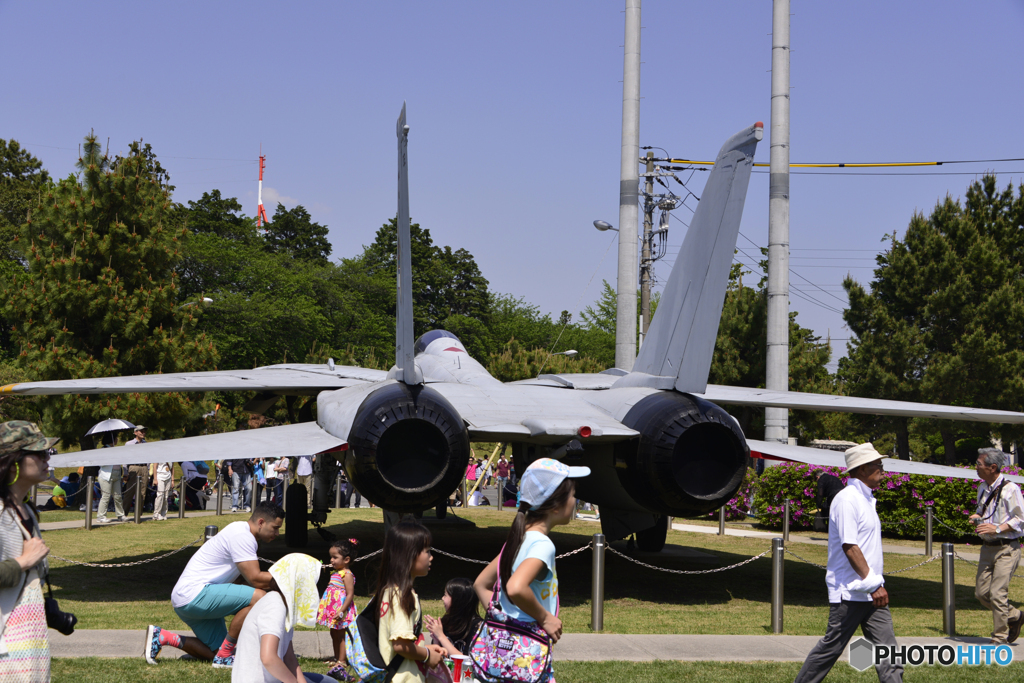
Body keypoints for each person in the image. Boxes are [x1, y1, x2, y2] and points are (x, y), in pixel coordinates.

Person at [473, 458, 591, 682]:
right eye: (573, 494)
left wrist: (502, 614)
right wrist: (544, 617)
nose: (575, 500)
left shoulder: (518, 539)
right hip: (529, 658)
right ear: (555, 505)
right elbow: (516, 587)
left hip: (502, 658)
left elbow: (480, 583)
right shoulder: (542, 545)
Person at [793, 443, 902, 683]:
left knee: (889, 653)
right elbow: (850, 547)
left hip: (871, 593)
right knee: (830, 649)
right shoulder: (847, 500)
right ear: (862, 469)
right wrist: (874, 584)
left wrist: (874, 586)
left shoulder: (866, 499)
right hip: (850, 592)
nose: (883, 469)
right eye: (878, 465)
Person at [145, 501, 284, 668]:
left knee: (215, 653)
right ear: (261, 522)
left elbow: (240, 581)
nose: (277, 533)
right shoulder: (243, 536)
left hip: (184, 600)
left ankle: (163, 637)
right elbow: (255, 579)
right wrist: (287, 580)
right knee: (261, 598)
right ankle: (225, 654)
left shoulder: (240, 531)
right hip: (195, 594)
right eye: (275, 527)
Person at [0, 421, 61, 681]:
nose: (47, 458)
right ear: (13, 462)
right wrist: (23, 562)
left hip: (28, 639)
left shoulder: (25, 510)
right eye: (38, 453)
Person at [232, 553, 337, 683]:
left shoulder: (284, 605)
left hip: (273, 678)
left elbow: (289, 658)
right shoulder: (274, 605)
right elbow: (268, 658)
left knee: (328, 681)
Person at [373, 521, 446, 683]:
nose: (431, 557)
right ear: (410, 555)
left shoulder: (389, 591)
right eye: (427, 551)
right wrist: (427, 656)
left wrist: (424, 648)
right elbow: (401, 646)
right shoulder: (404, 596)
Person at [969, 447, 1024, 644]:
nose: (976, 467)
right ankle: (1015, 616)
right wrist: (978, 517)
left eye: (979, 464)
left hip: (1007, 548)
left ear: (993, 467)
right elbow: (985, 511)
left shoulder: (1011, 489)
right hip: (987, 548)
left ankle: (999, 638)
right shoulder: (982, 487)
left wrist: (997, 529)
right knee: (982, 593)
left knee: (997, 593)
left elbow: (1021, 519)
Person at [317, 538, 360, 680]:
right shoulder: (337, 572)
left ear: (346, 559)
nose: (332, 560)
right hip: (333, 610)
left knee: (342, 635)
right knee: (333, 634)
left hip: (341, 611)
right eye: (331, 557)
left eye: (335, 557)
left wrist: (342, 610)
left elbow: (350, 594)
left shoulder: (346, 574)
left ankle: (342, 661)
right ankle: (337, 659)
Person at [425, 577, 483, 657]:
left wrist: (441, 636)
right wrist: (436, 639)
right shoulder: (446, 621)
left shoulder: (477, 626)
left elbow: (466, 660)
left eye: (445, 595)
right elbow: (436, 656)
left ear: (458, 600)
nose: (442, 598)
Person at [95, 432, 125, 523]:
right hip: (106, 476)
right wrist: (110, 457)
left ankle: (120, 515)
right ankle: (101, 516)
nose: (117, 440)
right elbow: (100, 463)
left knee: (118, 496)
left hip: (116, 474)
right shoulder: (104, 449)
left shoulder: (116, 450)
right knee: (106, 496)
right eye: (116, 438)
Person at [122, 426, 150, 514]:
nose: (143, 433)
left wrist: (148, 471)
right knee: (130, 491)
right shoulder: (129, 444)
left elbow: (149, 458)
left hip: (144, 468)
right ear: (135, 432)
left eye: (144, 431)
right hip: (133, 467)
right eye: (141, 431)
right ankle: (123, 513)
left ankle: (138, 513)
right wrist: (125, 472)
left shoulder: (146, 444)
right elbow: (125, 458)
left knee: (142, 492)